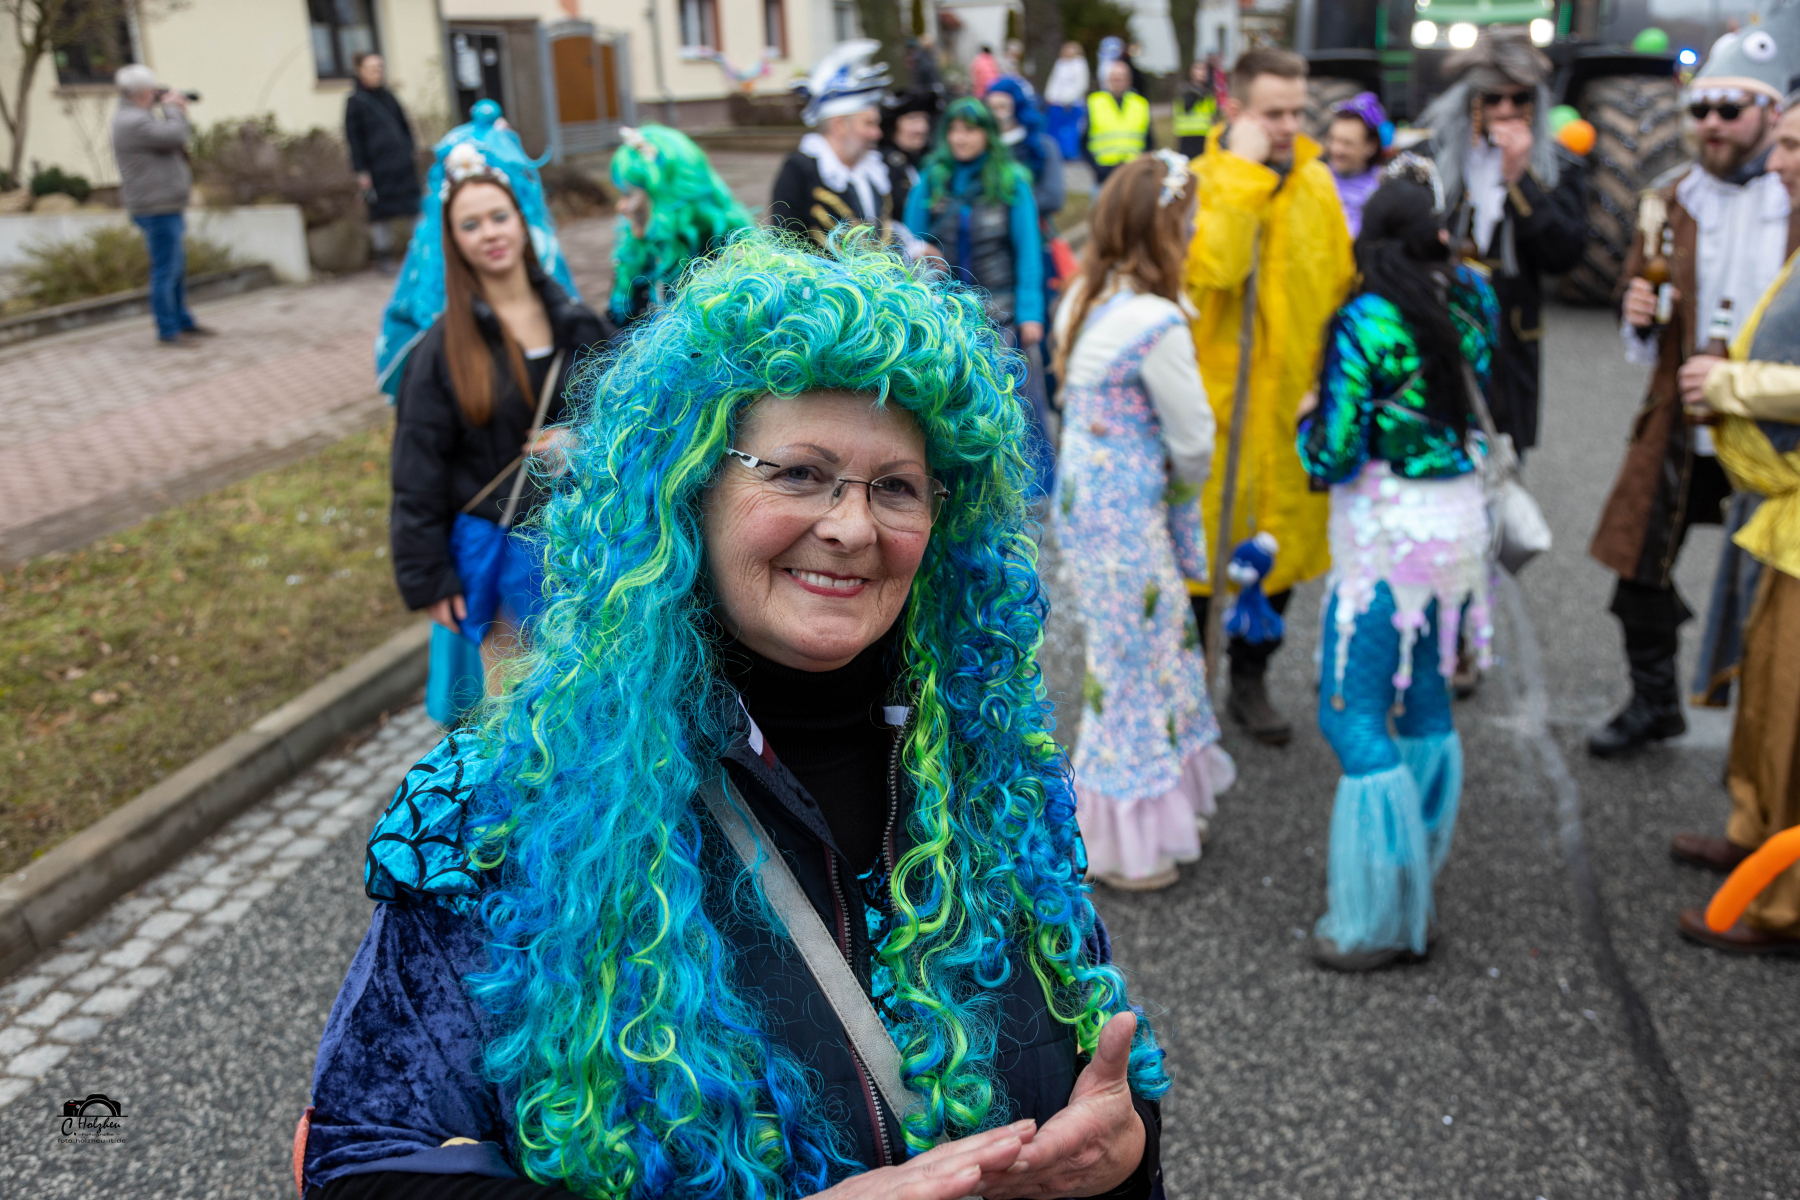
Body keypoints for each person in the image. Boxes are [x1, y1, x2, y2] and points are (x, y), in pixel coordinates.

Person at [302, 229, 1166, 1199]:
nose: (851, 526)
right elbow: (366, 1161)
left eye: (895, 487)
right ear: (689, 488)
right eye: (798, 473)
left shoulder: (998, 783)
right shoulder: (503, 809)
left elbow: (1097, 1079)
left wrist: (1123, 1159)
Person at [1297, 158, 1500, 970]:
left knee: (1350, 715)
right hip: (1459, 532)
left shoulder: (1365, 320)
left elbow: (1335, 453)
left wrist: (1308, 423)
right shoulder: (1472, 300)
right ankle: (1416, 887)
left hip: (1385, 538)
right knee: (1425, 704)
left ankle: (1376, 920)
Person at [1589, 13, 1800, 761]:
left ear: (1770, 114)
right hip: (1682, 415)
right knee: (1635, 566)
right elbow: (1641, 296)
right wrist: (1638, 313)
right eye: (1700, 108)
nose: (1710, 123)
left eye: (1729, 108)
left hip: (1776, 428)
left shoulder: (1794, 194)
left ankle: (1765, 737)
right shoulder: (1671, 199)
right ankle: (1654, 704)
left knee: (1772, 588)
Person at [1053, 152, 1235, 891]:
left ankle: (1158, 810)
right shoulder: (1156, 322)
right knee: (1135, 660)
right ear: (1165, 230)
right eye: (1187, 223)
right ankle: (1121, 843)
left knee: (1140, 648)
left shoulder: (1083, 296)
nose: (1193, 235)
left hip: (1083, 503)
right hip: (1127, 511)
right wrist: (1182, 491)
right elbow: (1193, 438)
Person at [388, 144, 609, 697]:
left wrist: (581, 440)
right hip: (501, 558)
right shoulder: (441, 351)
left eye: (498, 217)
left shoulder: (579, 325)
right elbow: (417, 468)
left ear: (521, 222)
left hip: (584, 547)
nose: (489, 233)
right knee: (517, 711)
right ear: (453, 241)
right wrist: (428, 577)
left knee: (594, 700)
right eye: (470, 224)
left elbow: (628, 417)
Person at [1185, 47, 1356, 745]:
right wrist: (1243, 173)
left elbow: (1340, 285)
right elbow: (1216, 269)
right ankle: (1192, 686)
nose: (1288, 126)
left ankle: (1251, 678)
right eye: (1273, 113)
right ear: (1236, 111)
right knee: (1203, 560)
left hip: (1292, 410)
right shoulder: (1202, 181)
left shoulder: (1316, 183)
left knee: (1279, 552)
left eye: (1296, 111)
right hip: (1219, 415)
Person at [1674, 95, 1800, 955]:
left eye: (1792, 146)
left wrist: (1729, 386)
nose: (1777, 162)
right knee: (1764, 696)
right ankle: (1754, 839)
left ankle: (1782, 906)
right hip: (1779, 516)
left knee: (1792, 712)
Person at [1417, 29, 1586, 457]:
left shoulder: (1559, 166)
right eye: (1492, 99)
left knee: (1506, 456)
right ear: (1469, 100)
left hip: (1510, 340)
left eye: (1519, 98)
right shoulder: (1427, 159)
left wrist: (1519, 180)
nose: (1506, 110)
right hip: (1439, 329)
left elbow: (1564, 254)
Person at [904, 98, 1050, 494]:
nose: (960, 138)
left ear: (987, 133)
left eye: (969, 129)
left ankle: (1031, 488)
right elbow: (911, 248)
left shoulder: (1011, 181)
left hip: (1002, 315)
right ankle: (969, 489)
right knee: (957, 405)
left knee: (1020, 402)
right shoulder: (932, 180)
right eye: (953, 129)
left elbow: (1028, 252)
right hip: (946, 314)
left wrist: (1031, 313)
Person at [606, 123, 754, 326]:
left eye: (628, 194)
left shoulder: (729, 259)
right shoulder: (635, 253)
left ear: (666, 197)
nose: (620, 206)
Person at [110, 64, 210, 346]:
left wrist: (169, 107)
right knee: (166, 270)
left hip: (164, 205)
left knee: (175, 268)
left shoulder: (137, 117)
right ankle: (168, 330)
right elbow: (175, 135)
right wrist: (174, 108)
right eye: (152, 89)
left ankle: (182, 321)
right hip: (155, 207)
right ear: (143, 92)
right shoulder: (132, 121)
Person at [769, 40, 896, 247]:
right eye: (869, 124)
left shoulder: (875, 167)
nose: (877, 133)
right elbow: (786, 245)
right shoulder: (800, 170)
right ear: (839, 125)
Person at [344, 51, 422, 275]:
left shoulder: (389, 97)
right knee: (380, 214)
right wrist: (361, 171)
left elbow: (404, 125)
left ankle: (421, 253)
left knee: (413, 208)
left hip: (402, 165)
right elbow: (354, 139)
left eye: (379, 68)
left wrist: (410, 149)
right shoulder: (355, 102)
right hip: (377, 168)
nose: (377, 73)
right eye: (372, 69)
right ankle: (384, 257)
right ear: (360, 71)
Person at [985, 76, 1066, 228]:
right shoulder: (984, 147)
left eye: (1002, 107)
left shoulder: (1042, 146)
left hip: (1033, 227)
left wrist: (1003, 210)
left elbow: (1052, 198)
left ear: (1018, 107)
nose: (995, 114)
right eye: (991, 108)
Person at [1325, 92, 1389, 237]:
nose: (1336, 149)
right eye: (1333, 139)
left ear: (1371, 147)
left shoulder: (1382, 188)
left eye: (1347, 143)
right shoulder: (1316, 180)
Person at [878, 88, 941, 228]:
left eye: (925, 119)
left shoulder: (933, 161)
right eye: (912, 119)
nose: (922, 128)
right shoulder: (879, 166)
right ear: (893, 124)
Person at [1085, 60, 1154, 186]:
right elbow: (1083, 142)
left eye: (1121, 78)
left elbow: (1149, 141)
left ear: (1129, 81)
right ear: (1108, 80)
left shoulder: (1140, 104)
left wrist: (1142, 166)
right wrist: (1097, 168)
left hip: (1134, 171)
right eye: (1114, 78)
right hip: (1104, 172)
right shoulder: (1095, 102)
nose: (1118, 81)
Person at [1043, 41, 1091, 161]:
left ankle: (1070, 154)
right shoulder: (1060, 63)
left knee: (1069, 130)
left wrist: (1068, 99)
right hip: (1056, 103)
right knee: (1054, 129)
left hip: (1072, 104)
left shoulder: (1079, 64)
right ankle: (1055, 153)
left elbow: (1081, 85)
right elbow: (1054, 81)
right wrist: (1050, 96)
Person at [1174, 59, 1221, 158]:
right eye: (1198, 69)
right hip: (1188, 138)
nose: (1202, 73)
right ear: (1191, 72)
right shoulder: (1186, 91)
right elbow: (1186, 107)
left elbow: (1214, 116)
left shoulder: (1208, 94)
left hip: (1205, 137)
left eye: (1204, 69)